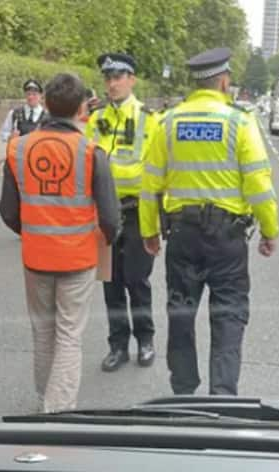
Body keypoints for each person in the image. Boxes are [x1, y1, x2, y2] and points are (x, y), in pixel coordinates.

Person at [139, 47, 279, 395]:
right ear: (223, 81)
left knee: (181, 313)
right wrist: (270, 230)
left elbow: (150, 182)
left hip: (182, 235)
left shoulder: (168, 122)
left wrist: (149, 231)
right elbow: (259, 185)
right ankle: (223, 397)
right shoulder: (239, 122)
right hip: (227, 238)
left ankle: (184, 393)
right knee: (229, 315)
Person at [0, 73, 120, 413]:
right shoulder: (91, 152)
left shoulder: (18, 148)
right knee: (69, 335)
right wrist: (105, 239)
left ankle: (44, 398)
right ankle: (57, 409)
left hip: (36, 256)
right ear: (82, 108)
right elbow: (110, 217)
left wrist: (34, 231)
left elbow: (7, 210)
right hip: (78, 258)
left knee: (43, 331)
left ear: (47, 104)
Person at [85, 53, 158, 372]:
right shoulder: (96, 118)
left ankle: (145, 339)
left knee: (137, 280)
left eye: (118, 77)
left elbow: (157, 169)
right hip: (104, 213)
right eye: (108, 78)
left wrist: (157, 220)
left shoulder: (149, 118)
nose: (112, 84)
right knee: (110, 283)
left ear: (132, 79)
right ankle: (118, 345)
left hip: (137, 210)